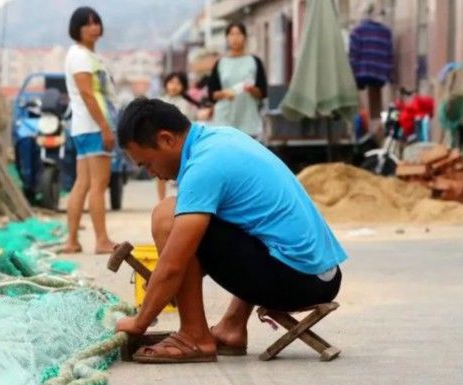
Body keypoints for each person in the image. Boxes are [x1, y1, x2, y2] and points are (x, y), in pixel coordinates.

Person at [115, 98, 346, 363]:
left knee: (166, 217)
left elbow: (173, 265)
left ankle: (194, 336)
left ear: (167, 139)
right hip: (322, 276)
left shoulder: (203, 166)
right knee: (226, 219)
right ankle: (232, 327)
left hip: (298, 281)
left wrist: (140, 321)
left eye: (147, 164)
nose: (152, 174)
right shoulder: (222, 137)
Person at [63, 7, 116, 254]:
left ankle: (72, 240)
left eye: (96, 22)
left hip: (83, 126)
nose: (93, 27)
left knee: (82, 182)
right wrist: (105, 127)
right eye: (87, 24)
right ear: (77, 29)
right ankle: (102, 240)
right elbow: (87, 94)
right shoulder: (81, 56)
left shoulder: (83, 55)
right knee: (98, 183)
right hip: (93, 126)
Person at [208, 21, 268, 140]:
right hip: (224, 120)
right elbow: (212, 94)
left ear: (245, 37)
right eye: (231, 34)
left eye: (239, 34)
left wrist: (251, 89)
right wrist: (225, 93)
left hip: (249, 121)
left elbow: (263, 92)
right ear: (227, 38)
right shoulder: (220, 63)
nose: (235, 38)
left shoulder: (254, 61)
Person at [157, 72, 197, 201]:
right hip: (161, 141)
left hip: (181, 143)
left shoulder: (186, 104)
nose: (174, 86)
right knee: (159, 173)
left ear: (183, 86)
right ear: (166, 84)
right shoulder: (159, 102)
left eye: (178, 83)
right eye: (171, 82)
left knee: (183, 171)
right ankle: (161, 199)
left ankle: (183, 198)